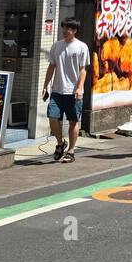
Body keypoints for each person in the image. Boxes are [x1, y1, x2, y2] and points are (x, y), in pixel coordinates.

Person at [42, 18, 89, 163]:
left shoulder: (82, 47)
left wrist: (80, 87)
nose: (64, 31)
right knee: (52, 117)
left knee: (73, 121)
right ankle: (61, 143)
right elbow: (52, 66)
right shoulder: (56, 46)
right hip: (57, 90)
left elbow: (83, 70)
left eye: (68, 29)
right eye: (63, 28)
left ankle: (71, 150)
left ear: (74, 31)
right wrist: (45, 85)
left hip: (74, 92)